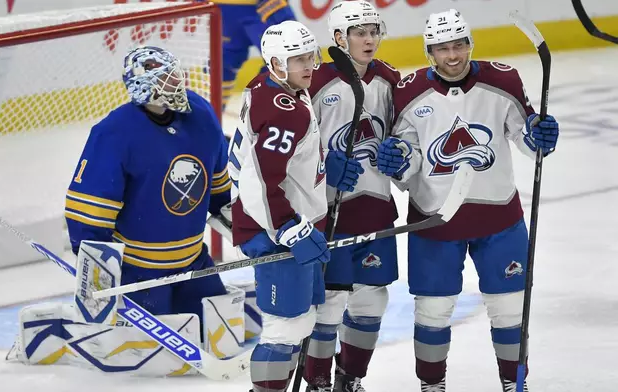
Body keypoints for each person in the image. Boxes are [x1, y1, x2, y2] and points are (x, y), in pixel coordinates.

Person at [379, 9, 560, 392]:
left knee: (510, 309)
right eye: (442, 48)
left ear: (470, 44)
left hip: (500, 219)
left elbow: (527, 140)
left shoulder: (502, 79)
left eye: (459, 45)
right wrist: (397, 162)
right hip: (434, 221)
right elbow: (406, 160)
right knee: (432, 312)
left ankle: (513, 384)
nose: (453, 56)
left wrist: (539, 135)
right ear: (429, 51)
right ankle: (432, 386)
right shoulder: (408, 91)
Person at [227, 20, 357, 392]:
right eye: (297, 59)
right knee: (285, 327)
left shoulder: (272, 86)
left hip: (291, 221)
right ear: (276, 63)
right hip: (275, 230)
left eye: (310, 56)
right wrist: (287, 225)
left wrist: (319, 163)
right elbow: (260, 181)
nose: (309, 66)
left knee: (303, 321)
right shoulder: (285, 111)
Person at [65, 46, 232, 321]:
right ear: (143, 86)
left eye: (176, 75)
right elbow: (90, 213)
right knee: (155, 356)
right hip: (140, 273)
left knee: (222, 337)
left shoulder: (201, 114)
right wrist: (95, 272)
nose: (177, 82)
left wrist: (252, 235)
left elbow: (219, 193)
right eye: (166, 78)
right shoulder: (114, 133)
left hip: (194, 262)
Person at [302, 1, 401, 391]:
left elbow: (406, 135)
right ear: (340, 38)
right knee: (328, 306)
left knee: (371, 304)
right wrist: (324, 171)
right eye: (360, 32)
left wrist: (402, 156)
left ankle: (349, 378)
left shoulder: (390, 79)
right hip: (329, 212)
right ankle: (318, 383)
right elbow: (293, 150)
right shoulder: (315, 81)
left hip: (375, 206)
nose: (369, 39)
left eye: (374, 31)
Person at [214, 0, 298, 111]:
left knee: (286, 58)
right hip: (226, 10)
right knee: (222, 67)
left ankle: (266, 107)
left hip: (259, 8)